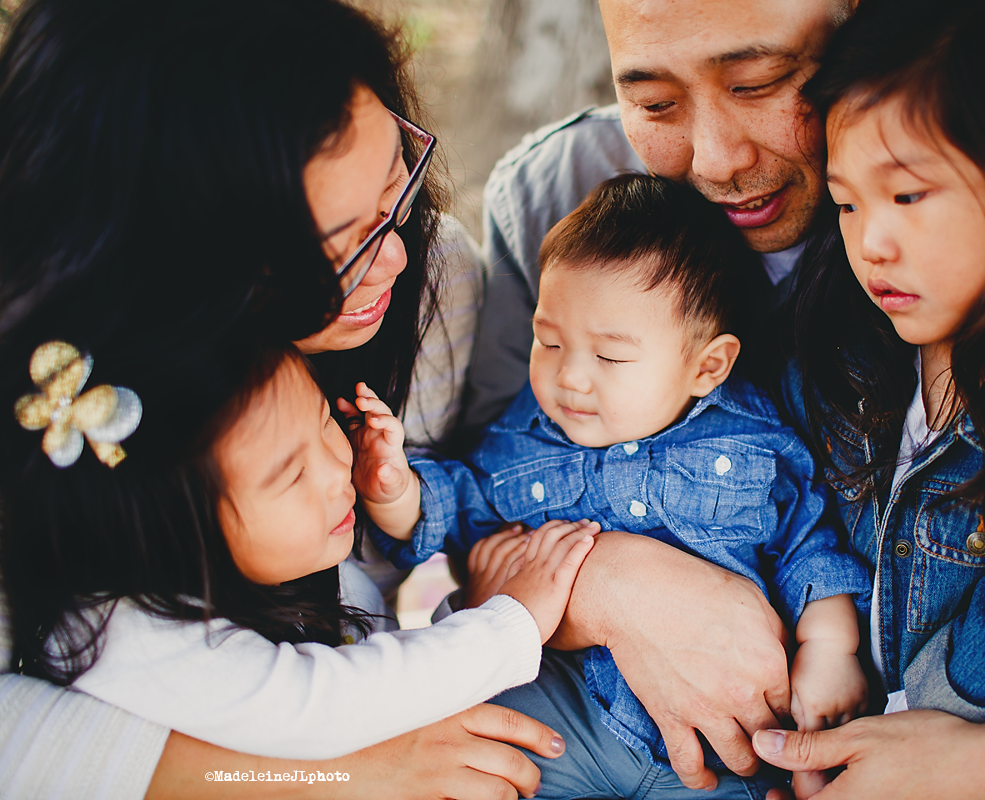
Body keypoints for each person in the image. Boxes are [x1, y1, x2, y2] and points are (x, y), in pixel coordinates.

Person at [466, 0, 985, 796]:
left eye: (760, 82)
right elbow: (474, 518)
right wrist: (611, 584)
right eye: (653, 103)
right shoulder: (560, 203)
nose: (715, 160)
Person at [0, 0, 561, 797]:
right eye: (340, 250)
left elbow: (499, 503)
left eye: (395, 190)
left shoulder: (435, 281)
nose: (397, 254)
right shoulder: (64, 427)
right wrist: (323, 775)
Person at [363, 173, 871, 798]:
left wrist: (830, 648)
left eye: (609, 357)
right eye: (548, 340)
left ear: (706, 366)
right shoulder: (526, 437)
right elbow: (460, 507)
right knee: (460, 758)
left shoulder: (749, 442)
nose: (570, 377)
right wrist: (397, 494)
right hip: (560, 710)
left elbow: (809, 546)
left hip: (720, 747)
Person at [4, 338, 595, 758]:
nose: (339, 469)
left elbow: (382, 651)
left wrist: (465, 609)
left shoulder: (309, 562)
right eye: (290, 476)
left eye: (324, 424)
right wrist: (506, 624)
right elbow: (320, 704)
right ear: (178, 538)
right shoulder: (127, 634)